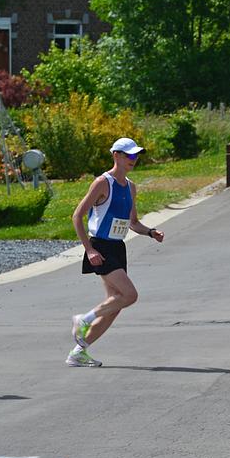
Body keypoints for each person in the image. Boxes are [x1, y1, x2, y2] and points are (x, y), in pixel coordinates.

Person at [66, 137, 164, 367]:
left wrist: (150, 232)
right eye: (129, 155)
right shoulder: (102, 182)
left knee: (115, 305)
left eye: (136, 155)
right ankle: (83, 319)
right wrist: (89, 250)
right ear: (116, 156)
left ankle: (78, 352)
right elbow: (77, 216)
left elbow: (133, 222)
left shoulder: (130, 187)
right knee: (130, 296)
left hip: (118, 247)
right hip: (100, 246)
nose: (133, 159)